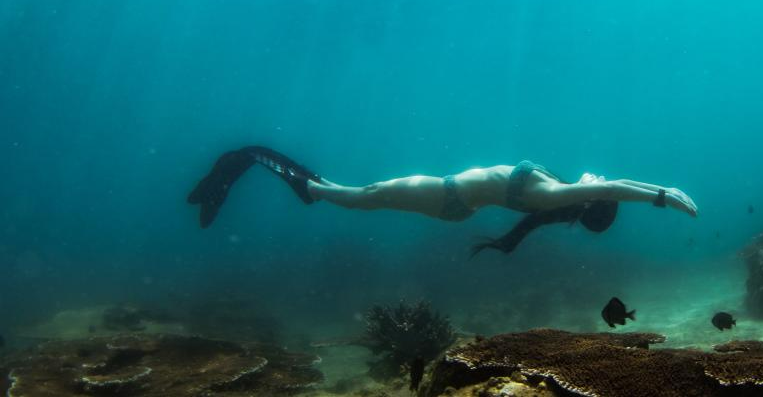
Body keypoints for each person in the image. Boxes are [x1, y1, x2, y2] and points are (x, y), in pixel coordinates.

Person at [187, 146, 698, 254]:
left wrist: (661, 196)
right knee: (362, 198)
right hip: (452, 200)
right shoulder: (556, 192)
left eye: (596, 190)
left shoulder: (560, 193)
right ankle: (301, 185)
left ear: (590, 205)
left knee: (359, 196)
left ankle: (298, 183)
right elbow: (604, 184)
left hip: (445, 197)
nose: (597, 176)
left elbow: (608, 187)